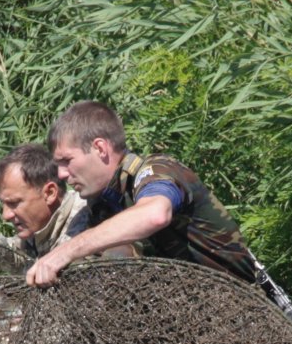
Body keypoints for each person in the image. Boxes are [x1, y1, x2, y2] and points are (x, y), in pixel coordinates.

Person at [25, 101, 258, 288]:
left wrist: (67, 251)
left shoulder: (156, 170)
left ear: (100, 148)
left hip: (241, 315)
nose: (62, 174)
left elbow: (155, 214)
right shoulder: (103, 207)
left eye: (67, 161)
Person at [0, 143, 86, 258]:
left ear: (49, 193)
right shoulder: (39, 226)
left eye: (14, 203)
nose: (6, 215)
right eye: (3, 204)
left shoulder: (88, 223)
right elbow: (22, 256)